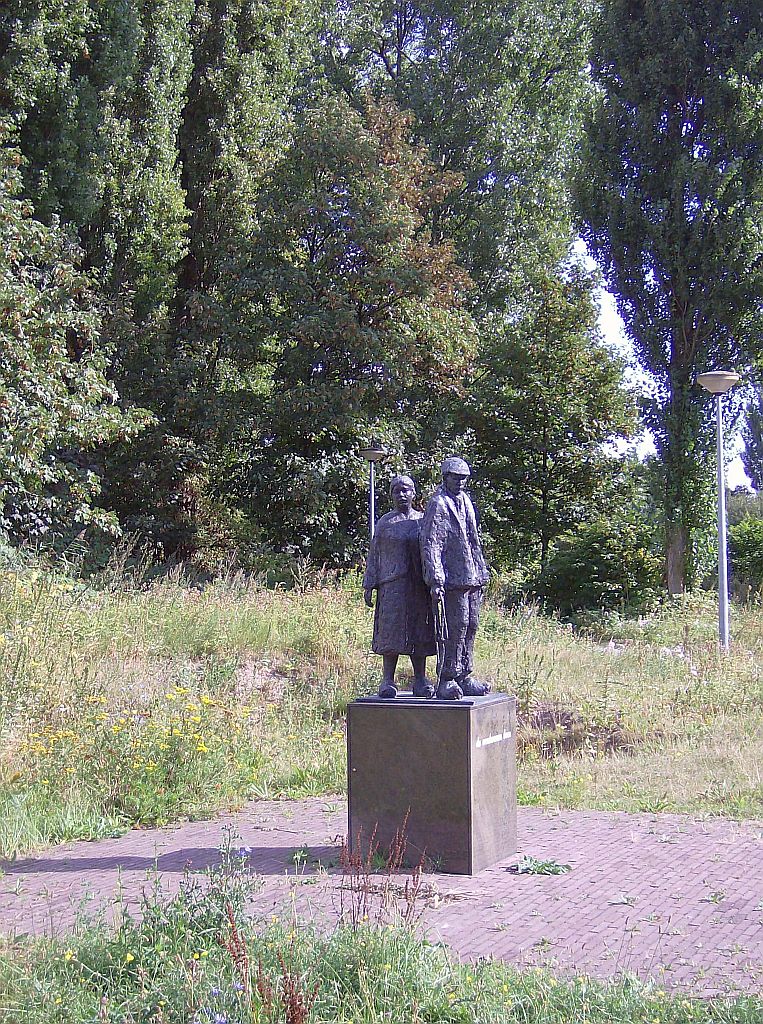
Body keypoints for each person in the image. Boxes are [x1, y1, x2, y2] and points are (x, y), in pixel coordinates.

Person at [420, 456, 491, 700]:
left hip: (472, 577)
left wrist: (481, 572)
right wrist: (436, 578)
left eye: (464, 478)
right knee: (454, 627)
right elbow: (431, 543)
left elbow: (474, 540)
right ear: (445, 477)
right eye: (455, 477)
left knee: (471, 625)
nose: (460, 482)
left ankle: (465, 674)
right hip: (451, 580)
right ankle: (447, 677)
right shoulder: (438, 504)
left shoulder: (466, 502)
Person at [363, 475, 436, 699]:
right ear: (391, 495)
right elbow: (374, 554)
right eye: (397, 491)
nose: (402, 495)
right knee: (391, 632)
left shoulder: (422, 521)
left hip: (417, 585)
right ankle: (387, 681)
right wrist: (369, 584)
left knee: (419, 630)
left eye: (406, 490)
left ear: (414, 493)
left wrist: (436, 582)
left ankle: (421, 680)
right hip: (391, 585)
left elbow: (433, 551)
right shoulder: (385, 523)